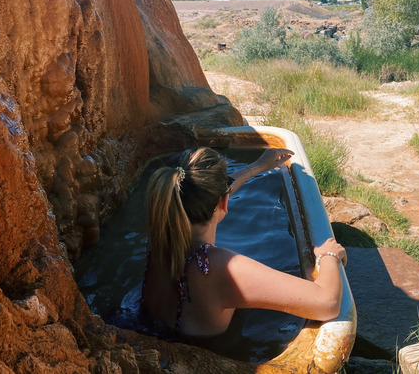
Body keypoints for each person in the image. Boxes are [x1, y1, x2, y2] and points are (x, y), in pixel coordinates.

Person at [140, 146, 347, 341]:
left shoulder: (158, 236)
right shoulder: (217, 267)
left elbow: (211, 192)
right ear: (224, 203)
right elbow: (327, 303)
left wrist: (255, 168)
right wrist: (328, 255)